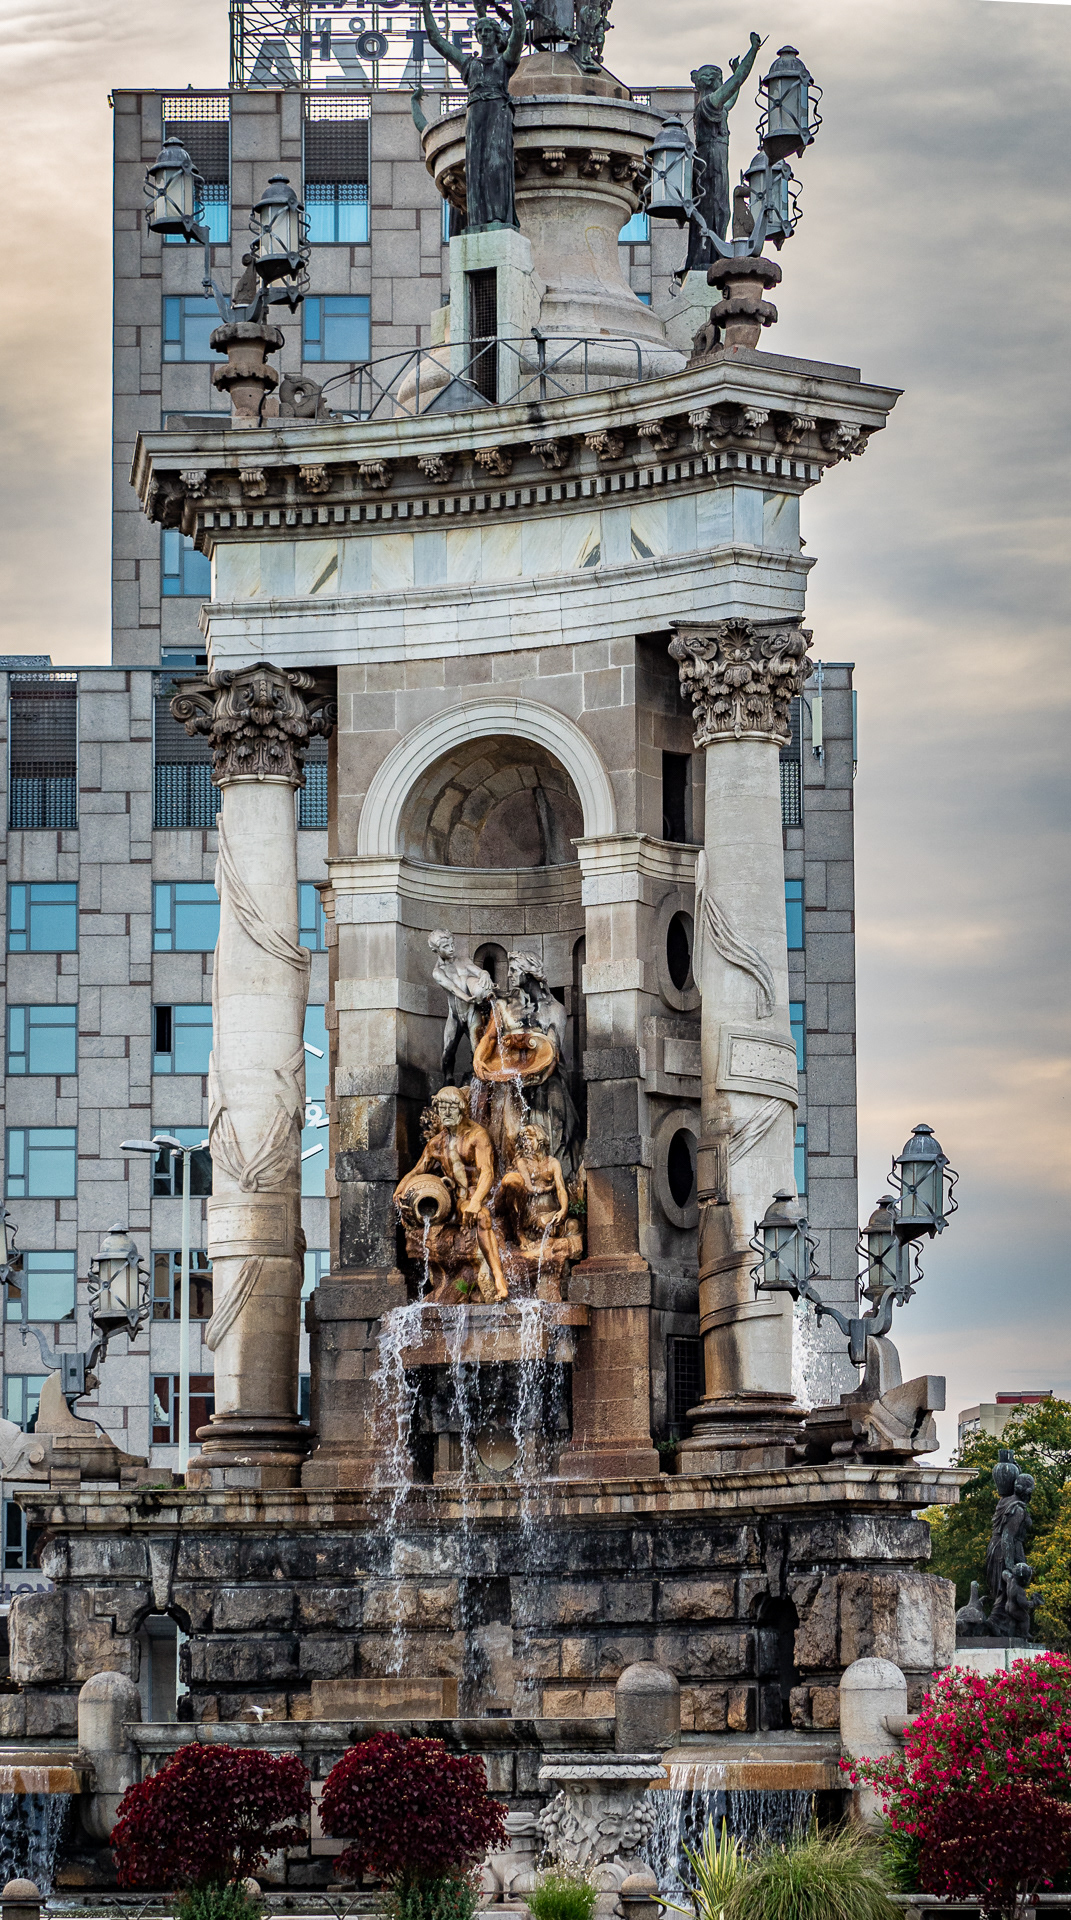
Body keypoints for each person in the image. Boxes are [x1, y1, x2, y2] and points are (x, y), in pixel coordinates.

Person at [393, 1084, 509, 1300]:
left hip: (481, 1195)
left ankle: (499, 1277)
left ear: (462, 1108)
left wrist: (476, 1202)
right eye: (441, 1108)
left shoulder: (477, 1136)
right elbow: (418, 1170)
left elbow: (487, 1173)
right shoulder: (436, 1144)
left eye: (451, 1107)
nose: (445, 1113)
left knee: (482, 1216)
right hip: (457, 1199)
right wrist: (400, 1189)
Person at [420, 0, 527, 230]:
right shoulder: (469, 65)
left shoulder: (505, 61)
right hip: (476, 114)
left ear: (497, 34)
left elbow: (519, 30)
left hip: (498, 111)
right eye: (480, 31)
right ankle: (478, 219)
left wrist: (516, 3)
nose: (484, 33)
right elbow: (437, 40)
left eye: (488, 30)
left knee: (497, 164)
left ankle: (499, 217)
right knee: (476, 166)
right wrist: (425, 7)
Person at [684, 34, 763, 274]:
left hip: (715, 158)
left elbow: (731, 100)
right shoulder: (708, 104)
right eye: (720, 79)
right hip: (712, 160)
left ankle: (712, 252)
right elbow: (737, 82)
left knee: (720, 208)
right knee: (715, 207)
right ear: (714, 82)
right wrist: (754, 50)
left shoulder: (713, 105)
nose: (722, 83)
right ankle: (709, 255)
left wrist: (737, 70)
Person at [428, 929, 495, 1081]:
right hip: (455, 1015)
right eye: (446, 947)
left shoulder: (463, 961)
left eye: (452, 944)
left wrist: (485, 974)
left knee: (478, 1049)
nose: (451, 949)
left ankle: (480, 1081)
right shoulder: (438, 972)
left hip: (471, 1012)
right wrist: (467, 997)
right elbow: (452, 988)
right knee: (447, 1052)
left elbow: (478, 972)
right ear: (436, 950)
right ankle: (448, 1080)